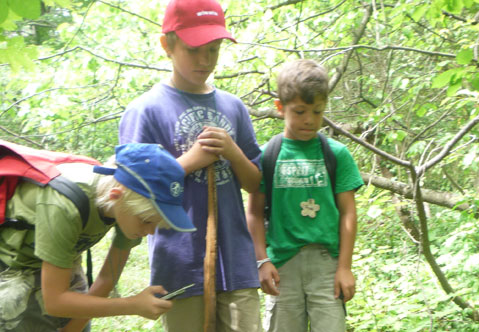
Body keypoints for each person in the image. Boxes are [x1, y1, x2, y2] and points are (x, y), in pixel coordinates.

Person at [118, 0, 262, 331]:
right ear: (167, 45)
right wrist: (189, 161)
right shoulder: (146, 111)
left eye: (213, 50)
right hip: (179, 262)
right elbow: (131, 193)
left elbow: (255, 183)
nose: (204, 60)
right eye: (193, 49)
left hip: (237, 262)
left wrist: (233, 153)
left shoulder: (234, 107)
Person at [0, 143, 198, 332]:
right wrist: (132, 305)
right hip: (12, 264)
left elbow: (108, 277)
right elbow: (55, 301)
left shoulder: (128, 208)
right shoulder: (64, 204)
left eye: (156, 222)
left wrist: (73, 328)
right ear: (115, 196)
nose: (150, 231)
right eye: (147, 221)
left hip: (59, 259)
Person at [246, 59, 365, 332]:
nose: (309, 119)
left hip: (327, 265)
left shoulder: (336, 154)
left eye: (317, 111)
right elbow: (253, 212)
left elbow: (348, 212)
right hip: (282, 267)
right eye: (299, 111)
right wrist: (262, 260)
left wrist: (344, 267)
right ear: (280, 108)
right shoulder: (267, 156)